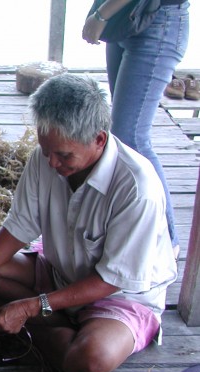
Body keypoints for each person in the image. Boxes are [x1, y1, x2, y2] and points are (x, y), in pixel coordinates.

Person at [0, 74, 177, 372]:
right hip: (61, 274)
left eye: (63, 155)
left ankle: (48, 328)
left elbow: (111, 279)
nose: (51, 163)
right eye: (46, 150)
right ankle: (57, 327)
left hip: (121, 296)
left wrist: (33, 305)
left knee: (91, 358)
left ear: (99, 139)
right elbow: (19, 226)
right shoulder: (46, 159)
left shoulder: (137, 186)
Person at [82, 0, 190, 257]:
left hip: (158, 20)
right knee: (119, 133)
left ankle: (166, 241)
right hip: (124, 17)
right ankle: (122, 225)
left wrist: (101, 14)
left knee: (131, 137)